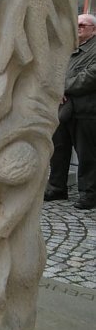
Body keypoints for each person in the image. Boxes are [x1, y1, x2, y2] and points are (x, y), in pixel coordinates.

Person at [45, 14, 96, 209]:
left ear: (94, 29)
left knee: (87, 155)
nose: (78, 27)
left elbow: (89, 77)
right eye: (76, 24)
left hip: (86, 110)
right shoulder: (70, 47)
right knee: (58, 150)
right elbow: (55, 71)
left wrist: (61, 88)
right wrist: (58, 89)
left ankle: (89, 194)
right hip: (63, 109)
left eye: (83, 24)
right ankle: (57, 188)